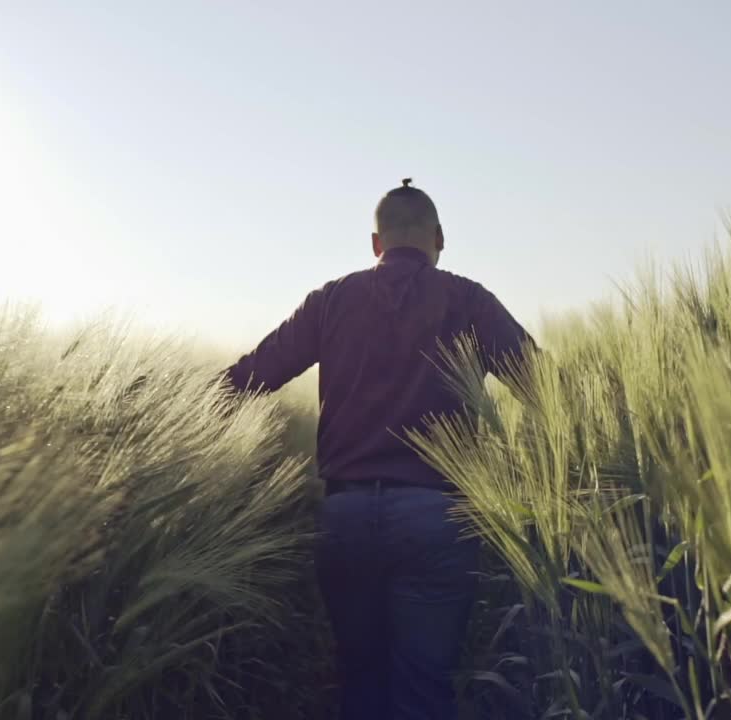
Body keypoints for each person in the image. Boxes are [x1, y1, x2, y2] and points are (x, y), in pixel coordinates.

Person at [221, 178, 533, 720]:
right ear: (440, 238)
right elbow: (542, 388)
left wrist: (154, 409)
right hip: (438, 517)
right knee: (424, 688)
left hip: (345, 516)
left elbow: (251, 377)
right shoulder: (469, 299)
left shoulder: (330, 300)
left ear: (375, 243)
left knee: (359, 683)